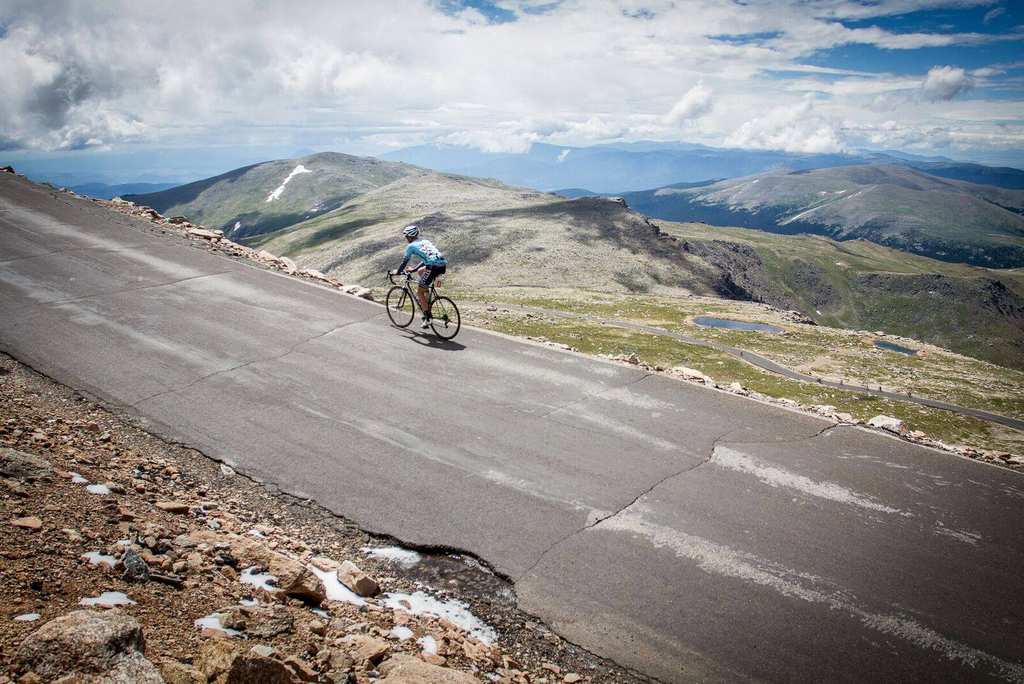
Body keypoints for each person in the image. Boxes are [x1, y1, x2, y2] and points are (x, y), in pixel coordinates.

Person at [390, 225, 448, 328]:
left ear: (410, 236)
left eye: (406, 237)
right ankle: (427, 294)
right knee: (421, 271)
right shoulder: (426, 242)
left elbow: (404, 262)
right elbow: (427, 258)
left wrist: (397, 272)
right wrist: (414, 269)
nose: (406, 239)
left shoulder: (411, 246)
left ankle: (428, 317)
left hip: (432, 267)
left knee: (419, 292)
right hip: (442, 266)